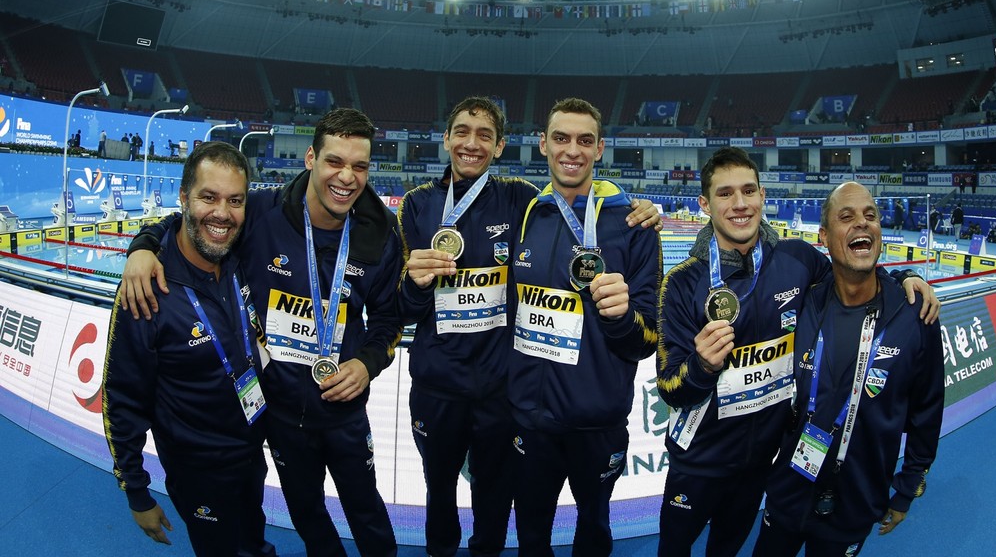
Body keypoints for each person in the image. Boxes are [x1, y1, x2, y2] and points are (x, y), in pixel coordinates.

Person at [121, 108, 403, 557]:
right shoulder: (263, 212)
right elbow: (200, 219)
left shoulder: (382, 233)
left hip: (344, 410)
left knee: (366, 512)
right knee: (306, 512)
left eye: (360, 166)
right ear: (310, 158)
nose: (346, 177)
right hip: (280, 414)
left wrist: (366, 364)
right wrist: (143, 246)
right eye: (334, 161)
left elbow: (389, 321)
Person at [397, 96, 661, 557]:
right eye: (462, 132)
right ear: (446, 138)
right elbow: (400, 305)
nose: (471, 144)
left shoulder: (522, 201)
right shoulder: (419, 205)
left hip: (504, 393)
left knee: (500, 505)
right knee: (440, 493)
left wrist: (639, 208)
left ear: (501, 147)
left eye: (484, 135)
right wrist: (415, 286)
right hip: (443, 387)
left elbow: (581, 198)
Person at [654, 147, 938, 557]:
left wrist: (908, 277)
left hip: (761, 465)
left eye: (749, 191)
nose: (740, 204)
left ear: (763, 196)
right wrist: (701, 366)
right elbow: (670, 388)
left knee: (726, 551)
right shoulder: (681, 284)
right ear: (705, 204)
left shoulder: (797, 259)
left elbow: (854, 274)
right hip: (698, 465)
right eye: (725, 194)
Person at [753, 181, 944, 557]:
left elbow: (928, 410)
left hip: (856, 500)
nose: (862, 223)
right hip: (789, 489)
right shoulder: (807, 301)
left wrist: (907, 488)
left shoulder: (914, 316)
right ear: (824, 236)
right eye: (847, 216)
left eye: (870, 216)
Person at [103, 141, 275, 557]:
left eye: (234, 200)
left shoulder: (238, 257)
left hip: (249, 452)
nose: (222, 213)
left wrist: (143, 240)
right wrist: (137, 492)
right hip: (197, 469)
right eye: (208, 197)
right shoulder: (147, 293)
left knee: (253, 538)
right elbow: (122, 398)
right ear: (183, 198)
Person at [507, 97, 661, 556]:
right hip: (530, 419)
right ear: (542, 145)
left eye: (584, 140)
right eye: (560, 138)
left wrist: (620, 318)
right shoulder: (527, 215)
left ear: (599, 149)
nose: (571, 150)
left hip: (597, 423)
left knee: (593, 531)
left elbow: (648, 338)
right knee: (531, 535)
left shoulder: (634, 223)